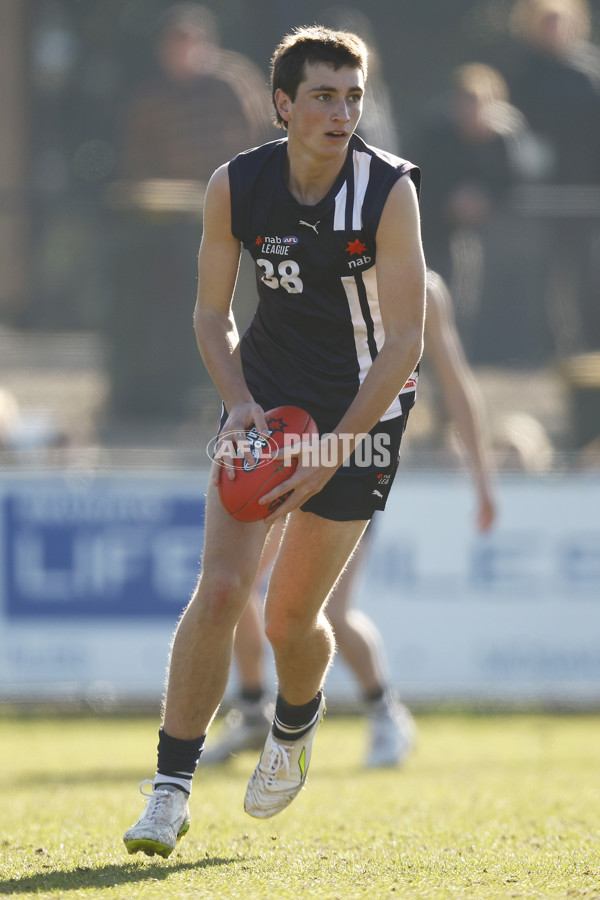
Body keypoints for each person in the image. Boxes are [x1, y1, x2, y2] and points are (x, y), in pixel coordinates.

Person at [123, 25, 426, 858]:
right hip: (263, 403)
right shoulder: (237, 185)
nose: (342, 112)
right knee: (221, 591)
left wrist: (333, 446)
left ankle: (294, 725)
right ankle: (168, 791)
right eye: (324, 95)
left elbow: (405, 344)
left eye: (353, 96)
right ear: (282, 103)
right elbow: (211, 316)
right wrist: (240, 404)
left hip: (363, 412)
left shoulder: (388, 191)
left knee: (295, 617)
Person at [202, 269, 496, 769]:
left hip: (355, 459)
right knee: (235, 584)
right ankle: (252, 708)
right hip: (294, 451)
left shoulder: (421, 288)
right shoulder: (322, 258)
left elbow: (455, 382)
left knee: (328, 612)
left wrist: (483, 480)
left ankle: (386, 713)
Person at [108, 4, 274, 422]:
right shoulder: (151, 98)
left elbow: (265, 139)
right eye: (175, 45)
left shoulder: (232, 83)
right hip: (170, 227)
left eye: (191, 44)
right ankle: (159, 395)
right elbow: (136, 163)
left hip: (233, 215)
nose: (183, 54)